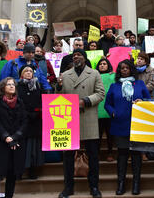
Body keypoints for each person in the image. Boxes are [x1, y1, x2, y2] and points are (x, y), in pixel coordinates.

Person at [56, 48, 105, 198]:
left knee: (93, 155)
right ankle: (68, 188)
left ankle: (94, 187)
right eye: (74, 55)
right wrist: (57, 87)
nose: (76, 57)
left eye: (79, 55)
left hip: (88, 117)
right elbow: (57, 97)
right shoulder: (64, 75)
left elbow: (101, 93)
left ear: (84, 58)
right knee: (68, 157)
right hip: (68, 120)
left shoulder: (94, 73)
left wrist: (86, 101)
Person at [105, 59, 150, 195]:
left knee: (136, 154)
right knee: (122, 155)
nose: (124, 70)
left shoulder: (140, 84)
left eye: (126, 68)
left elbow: (148, 101)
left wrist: (143, 102)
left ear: (131, 69)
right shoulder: (114, 86)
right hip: (120, 124)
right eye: (121, 68)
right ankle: (121, 184)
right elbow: (107, 104)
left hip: (137, 124)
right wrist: (113, 112)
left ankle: (136, 184)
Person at [0, 77, 28, 198]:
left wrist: (15, 136)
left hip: (15, 142)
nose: (11, 86)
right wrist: (6, 136)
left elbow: (24, 121)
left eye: (13, 84)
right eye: (8, 84)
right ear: (2, 87)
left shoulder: (20, 102)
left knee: (12, 173)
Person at [17, 65, 44, 179]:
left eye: (30, 71)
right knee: (22, 147)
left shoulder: (38, 86)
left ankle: (33, 170)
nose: (28, 73)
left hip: (35, 120)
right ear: (21, 74)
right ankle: (19, 170)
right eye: (26, 71)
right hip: (22, 121)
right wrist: (26, 113)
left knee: (34, 147)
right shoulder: (17, 86)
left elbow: (42, 101)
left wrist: (37, 112)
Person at [95, 58, 114, 162]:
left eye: (104, 64)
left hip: (109, 109)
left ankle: (110, 153)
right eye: (100, 64)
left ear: (108, 66)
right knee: (98, 134)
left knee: (110, 134)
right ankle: (97, 154)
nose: (102, 65)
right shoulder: (93, 76)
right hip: (97, 109)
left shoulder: (113, 76)